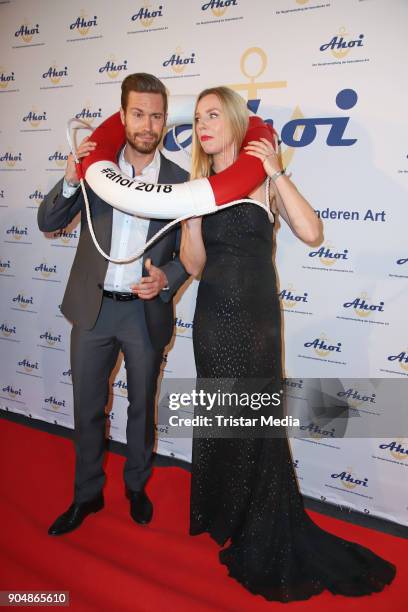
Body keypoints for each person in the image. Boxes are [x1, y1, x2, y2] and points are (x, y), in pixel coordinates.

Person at [180, 86, 396, 602]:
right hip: (211, 319)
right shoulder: (199, 185)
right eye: (196, 117)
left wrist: (275, 171)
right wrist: (190, 218)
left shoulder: (261, 181)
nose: (202, 125)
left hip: (254, 321)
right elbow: (194, 266)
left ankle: (260, 522)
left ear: (234, 121)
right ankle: (225, 512)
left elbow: (312, 232)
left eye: (213, 115)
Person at [38, 73, 189, 536]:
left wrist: (169, 277)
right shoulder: (94, 168)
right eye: (138, 113)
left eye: (156, 115)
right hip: (93, 309)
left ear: (165, 120)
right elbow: (49, 221)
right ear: (122, 116)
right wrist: (69, 178)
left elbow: (193, 254)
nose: (147, 124)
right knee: (87, 406)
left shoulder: (182, 181)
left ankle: (136, 486)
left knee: (142, 405)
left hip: (144, 314)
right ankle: (86, 495)